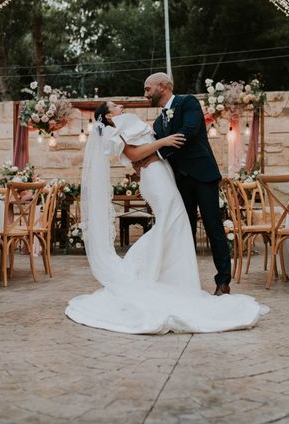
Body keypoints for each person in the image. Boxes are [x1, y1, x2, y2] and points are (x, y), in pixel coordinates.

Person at [64, 101, 267, 334]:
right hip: (154, 177)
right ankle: (149, 273)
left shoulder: (127, 123)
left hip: (161, 173)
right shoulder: (113, 131)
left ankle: (169, 277)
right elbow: (133, 153)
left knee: (173, 223)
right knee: (174, 219)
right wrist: (164, 142)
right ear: (108, 116)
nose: (120, 105)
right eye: (114, 105)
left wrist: (158, 148)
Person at [141, 72, 232, 295]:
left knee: (213, 227)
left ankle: (223, 281)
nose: (145, 94)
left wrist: (158, 153)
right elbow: (156, 147)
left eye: (148, 89)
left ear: (163, 86)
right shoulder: (158, 123)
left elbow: (188, 133)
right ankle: (187, 281)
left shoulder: (187, 102)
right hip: (180, 182)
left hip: (203, 175)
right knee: (185, 230)